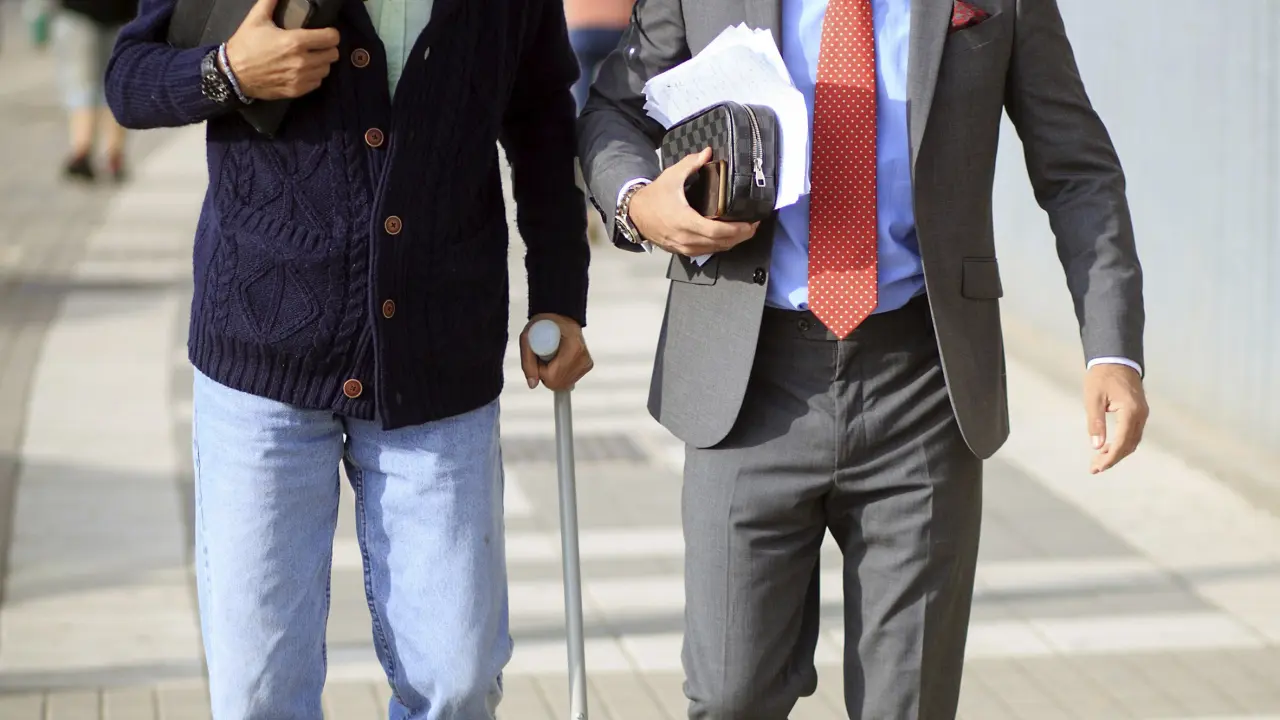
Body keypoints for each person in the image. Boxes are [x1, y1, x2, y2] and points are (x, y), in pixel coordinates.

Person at [578, 0, 1148, 717]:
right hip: (746, 378)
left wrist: (1112, 349)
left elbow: (1077, 170)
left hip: (921, 382)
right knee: (729, 696)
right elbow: (614, 109)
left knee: (907, 703)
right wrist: (639, 204)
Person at [105, 0, 593, 717]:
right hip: (262, 353)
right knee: (259, 693)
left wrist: (559, 295)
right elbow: (129, 78)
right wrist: (228, 73)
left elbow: (542, 114)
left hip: (438, 352)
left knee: (456, 684)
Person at [25, 0, 138, 181]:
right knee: (116, 83)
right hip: (122, 14)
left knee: (81, 83)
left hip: (79, 12)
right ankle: (113, 153)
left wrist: (37, 15)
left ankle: (82, 150)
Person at [565, 0, 633, 112]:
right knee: (620, 79)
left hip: (581, 26)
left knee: (583, 76)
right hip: (617, 25)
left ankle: (584, 115)